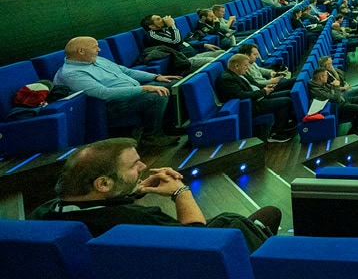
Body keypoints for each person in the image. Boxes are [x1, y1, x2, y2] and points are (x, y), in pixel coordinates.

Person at [28, 138, 280, 251]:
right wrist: (180, 191)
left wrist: (133, 189)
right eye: (133, 165)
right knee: (266, 215)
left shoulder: (46, 212)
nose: (143, 166)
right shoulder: (137, 221)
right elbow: (198, 241)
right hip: (193, 261)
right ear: (103, 183)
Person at [53, 37, 181, 148]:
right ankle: (151, 136)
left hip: (131, 94)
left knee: (171, 84)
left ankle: (168, 127)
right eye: (95, 47)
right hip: (111, 105)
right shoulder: (72, 74)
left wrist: (155, 77)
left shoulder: (97, 59)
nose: (99, 50)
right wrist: (144, 88)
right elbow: (103, 93)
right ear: (81, 51)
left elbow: (126, 71)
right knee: (155, 96)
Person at [215, 54, 296, 143]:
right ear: (236, 66)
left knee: (288, 94)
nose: (247, 68)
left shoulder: (240, 73)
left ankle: (285, 124)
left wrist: (266, 87)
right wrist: (263, 92)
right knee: (285, 102)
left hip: (258, 97)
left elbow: (255, 84)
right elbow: (241, 95)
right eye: (245, 65)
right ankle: (275, 134)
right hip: (251, 105)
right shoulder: (226, 79)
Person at [308, 67, 358, 137]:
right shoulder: (317, 91)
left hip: (342, 101)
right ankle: (356, 130)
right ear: (320, 78)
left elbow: (334, 91)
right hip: (338, 107)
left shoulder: (320, 83)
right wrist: (336, 86)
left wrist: (334, 86)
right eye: (326, 75)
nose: (327, 77)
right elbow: (336, 99)